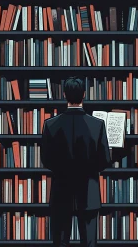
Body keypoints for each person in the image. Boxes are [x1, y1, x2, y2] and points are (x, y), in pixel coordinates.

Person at [41, 76, 111, 247]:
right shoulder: (97, 125)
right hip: (88, 192)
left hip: (61, 191)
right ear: (84, 95)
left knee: (60, 242)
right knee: (89, 243)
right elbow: (104, 160)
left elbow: (46, 159)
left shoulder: (50, 124)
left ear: (65, 95)